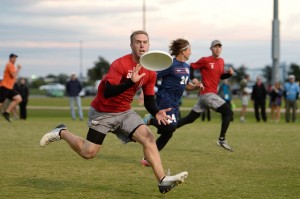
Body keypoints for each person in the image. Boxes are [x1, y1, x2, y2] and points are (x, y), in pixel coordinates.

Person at [39, 30, 188, 194]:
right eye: (138, 42)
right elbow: (108, 91)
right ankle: (62, 132)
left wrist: (157, 112)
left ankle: (162, 181)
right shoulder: (120, 64)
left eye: (145, 42)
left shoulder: (150, 71)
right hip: (102, 112)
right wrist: (130, 83)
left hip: (125, 112)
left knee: (148, 138)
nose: (141, 45)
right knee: (88, 153)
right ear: (131, 45)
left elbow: (149, 100)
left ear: (149, 45)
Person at [141, 38, 201, 166]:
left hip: (175, 103)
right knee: (171, 127)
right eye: (189, 50)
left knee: (169, 132)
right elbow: (152, 77)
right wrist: (144, 92)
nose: (190, 52)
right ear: (182, 51)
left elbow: (187, 86)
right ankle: (150, 119)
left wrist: (196, 87)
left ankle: (148, 159)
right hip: (164, 100)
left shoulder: (186, 66)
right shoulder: (169, 65)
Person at [176, 40, 234, 151]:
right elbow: (191, 67)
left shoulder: (221, 61)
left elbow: (221, 76)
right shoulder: (205, 60)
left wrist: (229, 74)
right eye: (215, 47)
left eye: (219, 47)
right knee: (228, 112)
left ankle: (169, 128)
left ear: (221, 49)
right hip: (207, 94)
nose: (217, 49)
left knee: (190, 119)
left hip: (206, 96)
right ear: (211, 49)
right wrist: (193, 78)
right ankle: (222, 139)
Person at [0, 53, 22, 122]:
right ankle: (6, 112)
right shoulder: (9, 64)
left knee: (18, 98)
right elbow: (13, 75)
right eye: (14, 58)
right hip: (4, 87)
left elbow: (13, 77)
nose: (15, 59)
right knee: (0, 103)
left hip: (9, 88)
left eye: (15, 58)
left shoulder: (12, 66)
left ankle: (6, 112)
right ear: (11, 58)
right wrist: (18, 69)